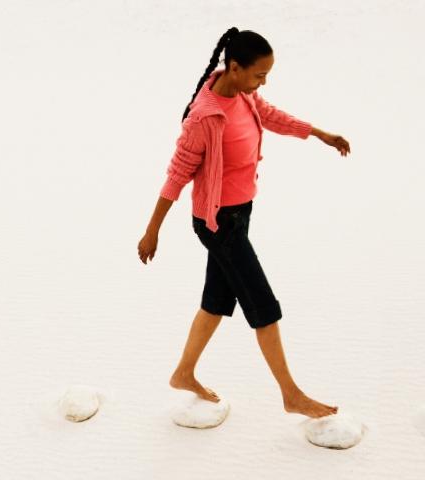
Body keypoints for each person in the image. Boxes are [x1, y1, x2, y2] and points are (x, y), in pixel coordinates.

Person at [137, 28, 350, 419]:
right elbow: (177, 173)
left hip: (240, 215)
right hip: (219, 224)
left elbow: (270, 116)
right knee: (263, 305)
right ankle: (291, 394)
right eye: (258, 75)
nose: (262, 83)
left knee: (217, 301)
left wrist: (319, 133)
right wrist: (153, 230)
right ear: (234, 68)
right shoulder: (204, 117)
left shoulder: (243, 94)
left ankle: (183, 373)